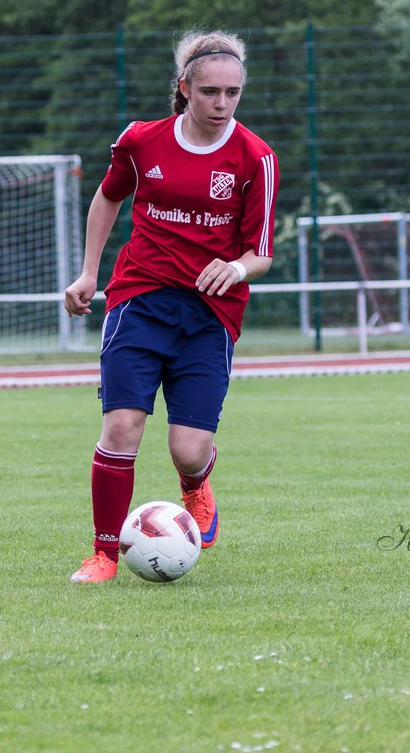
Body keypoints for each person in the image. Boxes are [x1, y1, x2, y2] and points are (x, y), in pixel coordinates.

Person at [62, 29, 278, 583]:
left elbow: (262, 254)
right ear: (184, 88)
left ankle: (195, 483)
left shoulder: (256, 157)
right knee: (122, 427)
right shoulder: (141, 141)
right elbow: (109, 195)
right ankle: (104, 554)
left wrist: (235, 267)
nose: (222, 104)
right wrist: (90, 272)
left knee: (187, 447)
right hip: (140, 299)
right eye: (210, 92)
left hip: (209, 316)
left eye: (233, 93)